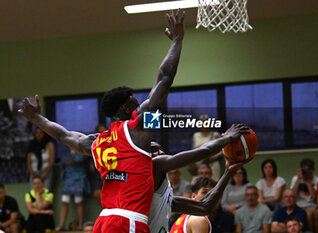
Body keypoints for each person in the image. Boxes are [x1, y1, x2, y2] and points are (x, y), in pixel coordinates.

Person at [20, 9, 186, 233]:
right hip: (127, 220)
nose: (141, 107)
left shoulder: (98, 141)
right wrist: (177, 40)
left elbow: (63, 135)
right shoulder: (137, 128)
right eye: (136, 105)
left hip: (104, 220)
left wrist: (37, 118)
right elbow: (165, 79)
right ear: (127, 109)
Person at [18, 94, 251, 233]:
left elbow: (205, 207)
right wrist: (225, 139)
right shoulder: (154, 166)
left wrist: (229, 170)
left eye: (159, 147)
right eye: (154, 149)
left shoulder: (162, 194)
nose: (159, 150)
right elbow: (199, 151)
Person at [56, 149, 91, 231]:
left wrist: (72, 159)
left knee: (78, 201)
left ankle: (80, 224)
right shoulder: (66, 152)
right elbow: (63, 162)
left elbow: (81, 160)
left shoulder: (82, 150)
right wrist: (71, 159)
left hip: (79, 178)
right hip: (67, 179)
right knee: (65, 200)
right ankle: (61, 225)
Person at [290, 158, 318, 233]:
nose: (305, 172)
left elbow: (315, 198)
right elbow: (291, 196)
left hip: (312, 205)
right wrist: (298, 179)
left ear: (312, 170)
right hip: (298, 205)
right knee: (308, 214)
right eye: (304, 170)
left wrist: (308, 182)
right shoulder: (295, 179)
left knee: (310, 214)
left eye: (308, 170)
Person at [191, 114, 221, 181]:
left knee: (212, 183)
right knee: (197, 183)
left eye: (206, 122)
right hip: (199, 163)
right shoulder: (196, 135)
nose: (204, 124)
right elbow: (193, 150)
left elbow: (222, 150)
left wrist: (215, 156)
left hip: (212, 163)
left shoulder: (215, 135)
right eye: (202, 122)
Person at [90, 125, 106, 205]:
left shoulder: (110, 142)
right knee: (97, 193)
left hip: (109, 173)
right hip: (98, 174)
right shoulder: (94, 144)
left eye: (103, 132)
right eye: (100, 132)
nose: (102, 134)